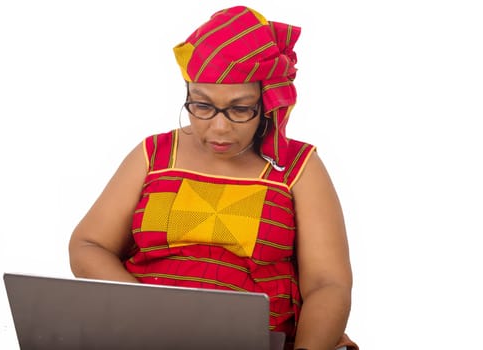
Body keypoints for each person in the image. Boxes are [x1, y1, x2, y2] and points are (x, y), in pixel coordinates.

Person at [69, 5, 358, 350]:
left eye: (239, 109)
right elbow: (88, 245)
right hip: (143, 335)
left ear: (266, 103)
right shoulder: (154, 154)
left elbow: (327, 284)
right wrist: (144, 308)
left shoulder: (298, 167)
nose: (219, 128)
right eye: (202, 106)